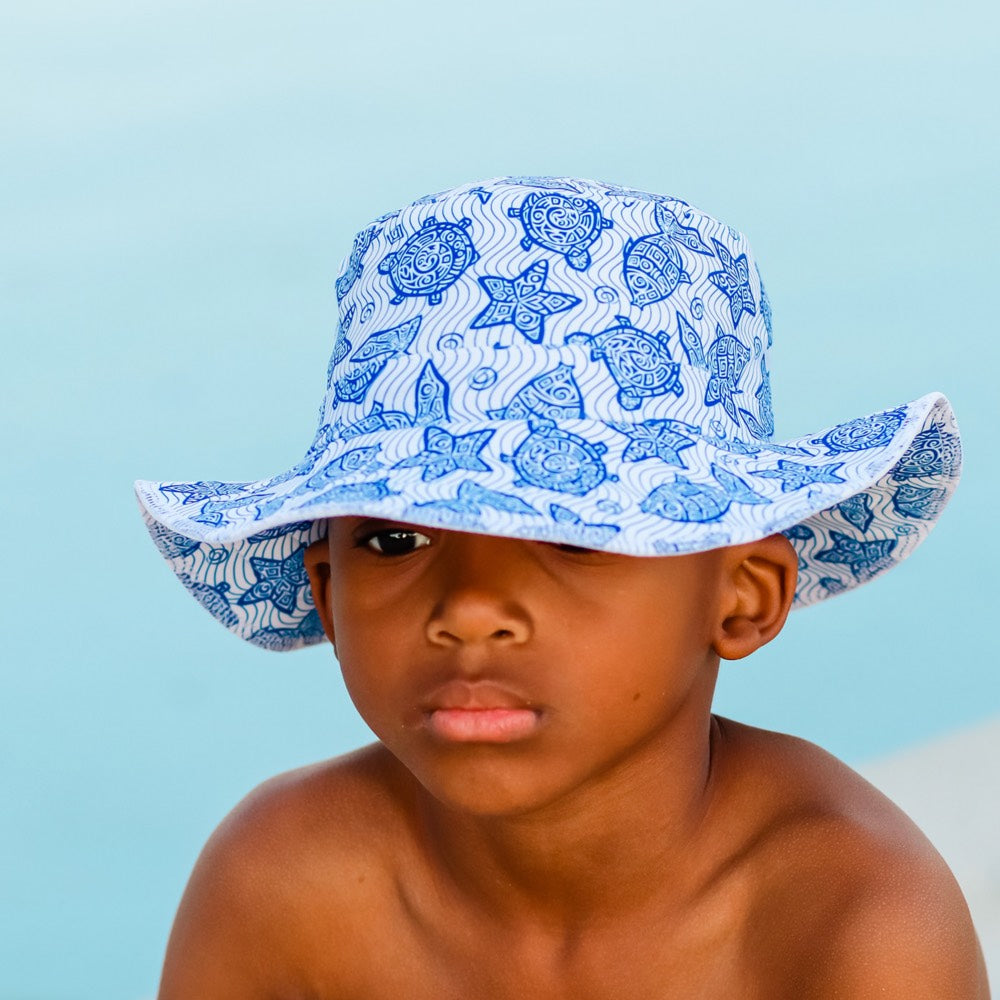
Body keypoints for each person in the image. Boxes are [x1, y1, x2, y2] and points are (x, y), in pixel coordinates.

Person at [136, 176, 988, 998]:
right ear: (326, 591)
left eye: (575, 536)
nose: (469, 611)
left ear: (743, 594)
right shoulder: (281, 887)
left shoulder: (855, 922)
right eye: (396, 539)